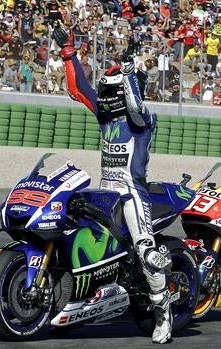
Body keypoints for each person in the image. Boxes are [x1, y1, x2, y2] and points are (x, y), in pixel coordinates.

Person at [52, 27, 172, 344]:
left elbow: (133, 105)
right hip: (105, 192)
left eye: (107, 95)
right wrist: (67, 50)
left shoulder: (143, 121)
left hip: (132, 195)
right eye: (102, 94)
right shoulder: (106, 118)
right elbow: (79, 89)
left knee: (146, 251)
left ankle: (163, 316)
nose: (101, 99)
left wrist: (130, 71)